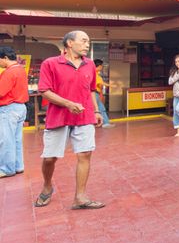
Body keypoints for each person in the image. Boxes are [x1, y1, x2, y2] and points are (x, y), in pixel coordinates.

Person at [34, 31, 105, 209]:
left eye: (88, 41)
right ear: (69, 43)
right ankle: (47, 186)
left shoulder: (89, 64)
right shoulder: (50, 63)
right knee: (50, 158)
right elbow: (44, 90)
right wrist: (68, 104)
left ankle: (80, 197)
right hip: (58, 117)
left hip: (85, 116)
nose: (87, 44)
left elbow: (91, 90)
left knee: (85, 154)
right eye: (83, 41)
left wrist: (96, 111)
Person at [0, 47, 29, 178]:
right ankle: (18, 166)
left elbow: (0, 92)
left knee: (6, 140)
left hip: (9, 108)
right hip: (20, 107)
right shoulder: (20, 69)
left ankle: (7, 169)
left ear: (5, 58)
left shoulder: (9, 72)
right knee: (16, 139)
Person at [93, 59, 114, 128]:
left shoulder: (95, 74)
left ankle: (103, 122)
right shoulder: (95, 74)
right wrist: (111, 85)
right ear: (98, 66)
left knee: (99, 108)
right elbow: (101, 83)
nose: (102, 68)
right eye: (101, 66)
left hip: (95, 94)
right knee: (101, 108)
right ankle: (105, 123)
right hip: (94, 94)